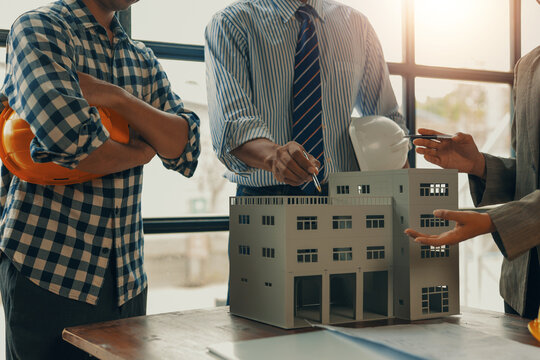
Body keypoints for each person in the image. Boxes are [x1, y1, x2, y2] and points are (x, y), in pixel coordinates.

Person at [0, 0, 200, 358]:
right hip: (49, 271)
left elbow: (184, 148)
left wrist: (115, 96)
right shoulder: (40, 29)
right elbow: (73, 140)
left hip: (127, 281)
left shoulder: (141, 58)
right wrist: (143, 149)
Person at [205, 0, 408, 199]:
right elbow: (233, 125)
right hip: (267, 196)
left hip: (348, 195)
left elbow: (387, 121)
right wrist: (275, 156)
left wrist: (407, 202)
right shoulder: (231, 23)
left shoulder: (357, 25)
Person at [404, 44, 540, 318]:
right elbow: (530, 176)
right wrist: (479, 165)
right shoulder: (528, 65)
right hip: (524, 285)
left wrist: (494, 221)